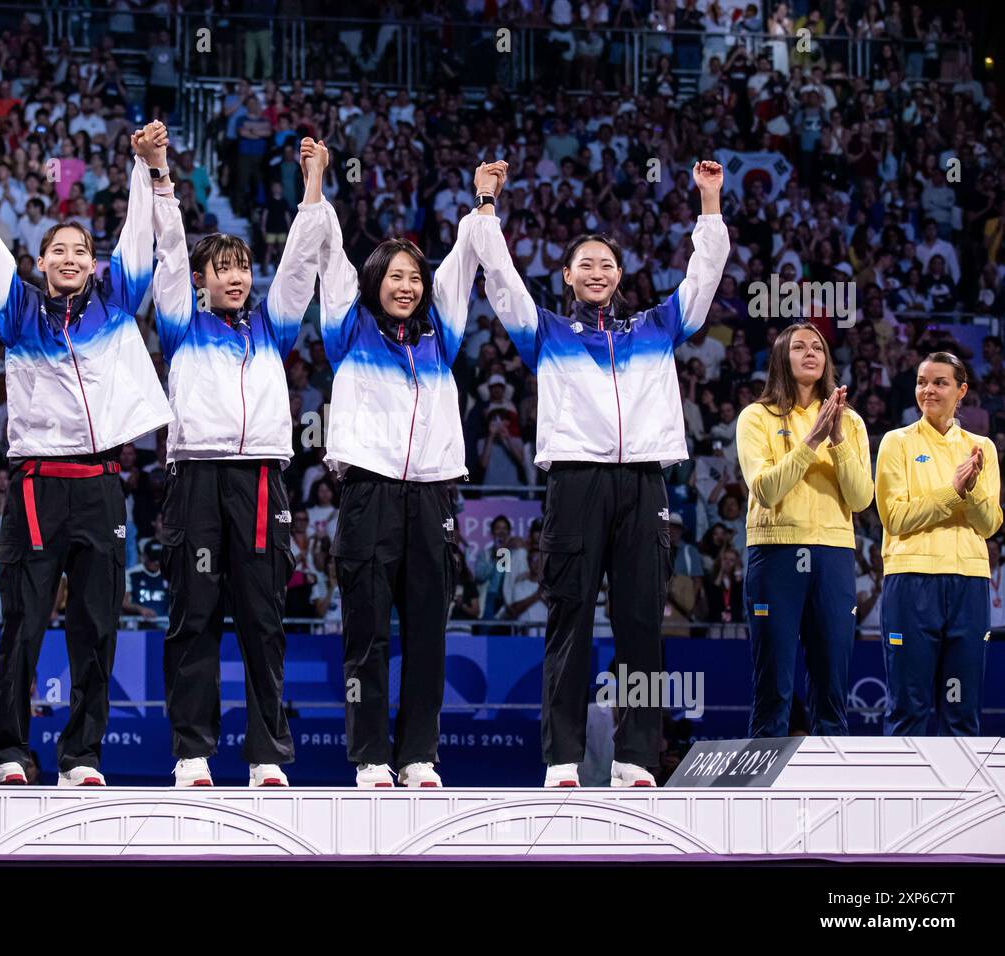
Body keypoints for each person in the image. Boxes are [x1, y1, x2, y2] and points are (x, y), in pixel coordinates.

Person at [472, 159, 729, 787]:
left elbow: (703, 279)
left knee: (642, 622)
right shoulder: (547, 332)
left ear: (621, 276)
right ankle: (562, 759)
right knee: (570, 619)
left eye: (606, 264)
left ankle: (637, 757)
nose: (596, 271)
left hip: (643, 482)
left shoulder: (656, 327)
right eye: (584, 263)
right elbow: (502, 281)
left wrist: (710, 203)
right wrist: (486, 204)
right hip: (576, 482)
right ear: (566, 276)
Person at [0, 128, 173, 787]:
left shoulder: (116, 300)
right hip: (37, 489)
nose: (71, 258)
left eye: (81, 251)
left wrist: (140, 165)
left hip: (101, 486)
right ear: (40, 263)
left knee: (97, 631)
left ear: (92, 264)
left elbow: (139, 233)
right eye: (58, 250)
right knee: (24, 627)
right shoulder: (16, 310)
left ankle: (81, 757)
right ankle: (10, 753)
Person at [141, 122, 324, 788]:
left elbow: (302, 265)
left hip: (260, 480)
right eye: (224, 268)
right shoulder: (181, 322)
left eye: (244, 267)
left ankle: (268, 754)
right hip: (195, 476)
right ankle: (193, 752)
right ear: (202, 280)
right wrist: (160, 176)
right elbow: (166, 249)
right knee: (194, 614)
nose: (237, 278)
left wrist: (312, 187)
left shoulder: (272, 326)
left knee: (264, 619)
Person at [316, 152, 501, 789]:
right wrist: (317, 186)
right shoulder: (348, 329)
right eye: (394, 276)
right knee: (365, 636)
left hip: (430, 497)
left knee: (427, 633)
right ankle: (370, 757)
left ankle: (418, 754)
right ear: (374, 283)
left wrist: (483, 204)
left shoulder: (440, 337)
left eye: (414, 278)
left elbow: (464, 262)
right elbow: (327, 250)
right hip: (367, 493)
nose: (407, 286)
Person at [736, 322, 873, 736]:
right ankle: (762, 791)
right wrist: (811, 441)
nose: (811, 352)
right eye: (799, 347)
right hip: (776, 552)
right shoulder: (756, 417)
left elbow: (861, 498)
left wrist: (837, 441)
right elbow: (764, 488)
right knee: (774, 683)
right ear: (782, 357)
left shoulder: (850, 423)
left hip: (833, 552)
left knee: (831, 683)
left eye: (817, 347)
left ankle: (834, 786)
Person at [875, 352, 1001, 736]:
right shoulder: (896, 443)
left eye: (940, 382)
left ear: (961, 390)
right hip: (912, 581)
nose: (928, 390)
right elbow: (895, 518)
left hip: (968, 582)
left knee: (961, 712)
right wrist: (952, 492)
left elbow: (990, 524)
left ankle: (961, 798)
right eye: (921, 381)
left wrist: (973, 488)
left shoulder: (982, 448)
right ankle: (900, 797)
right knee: (908, 709)